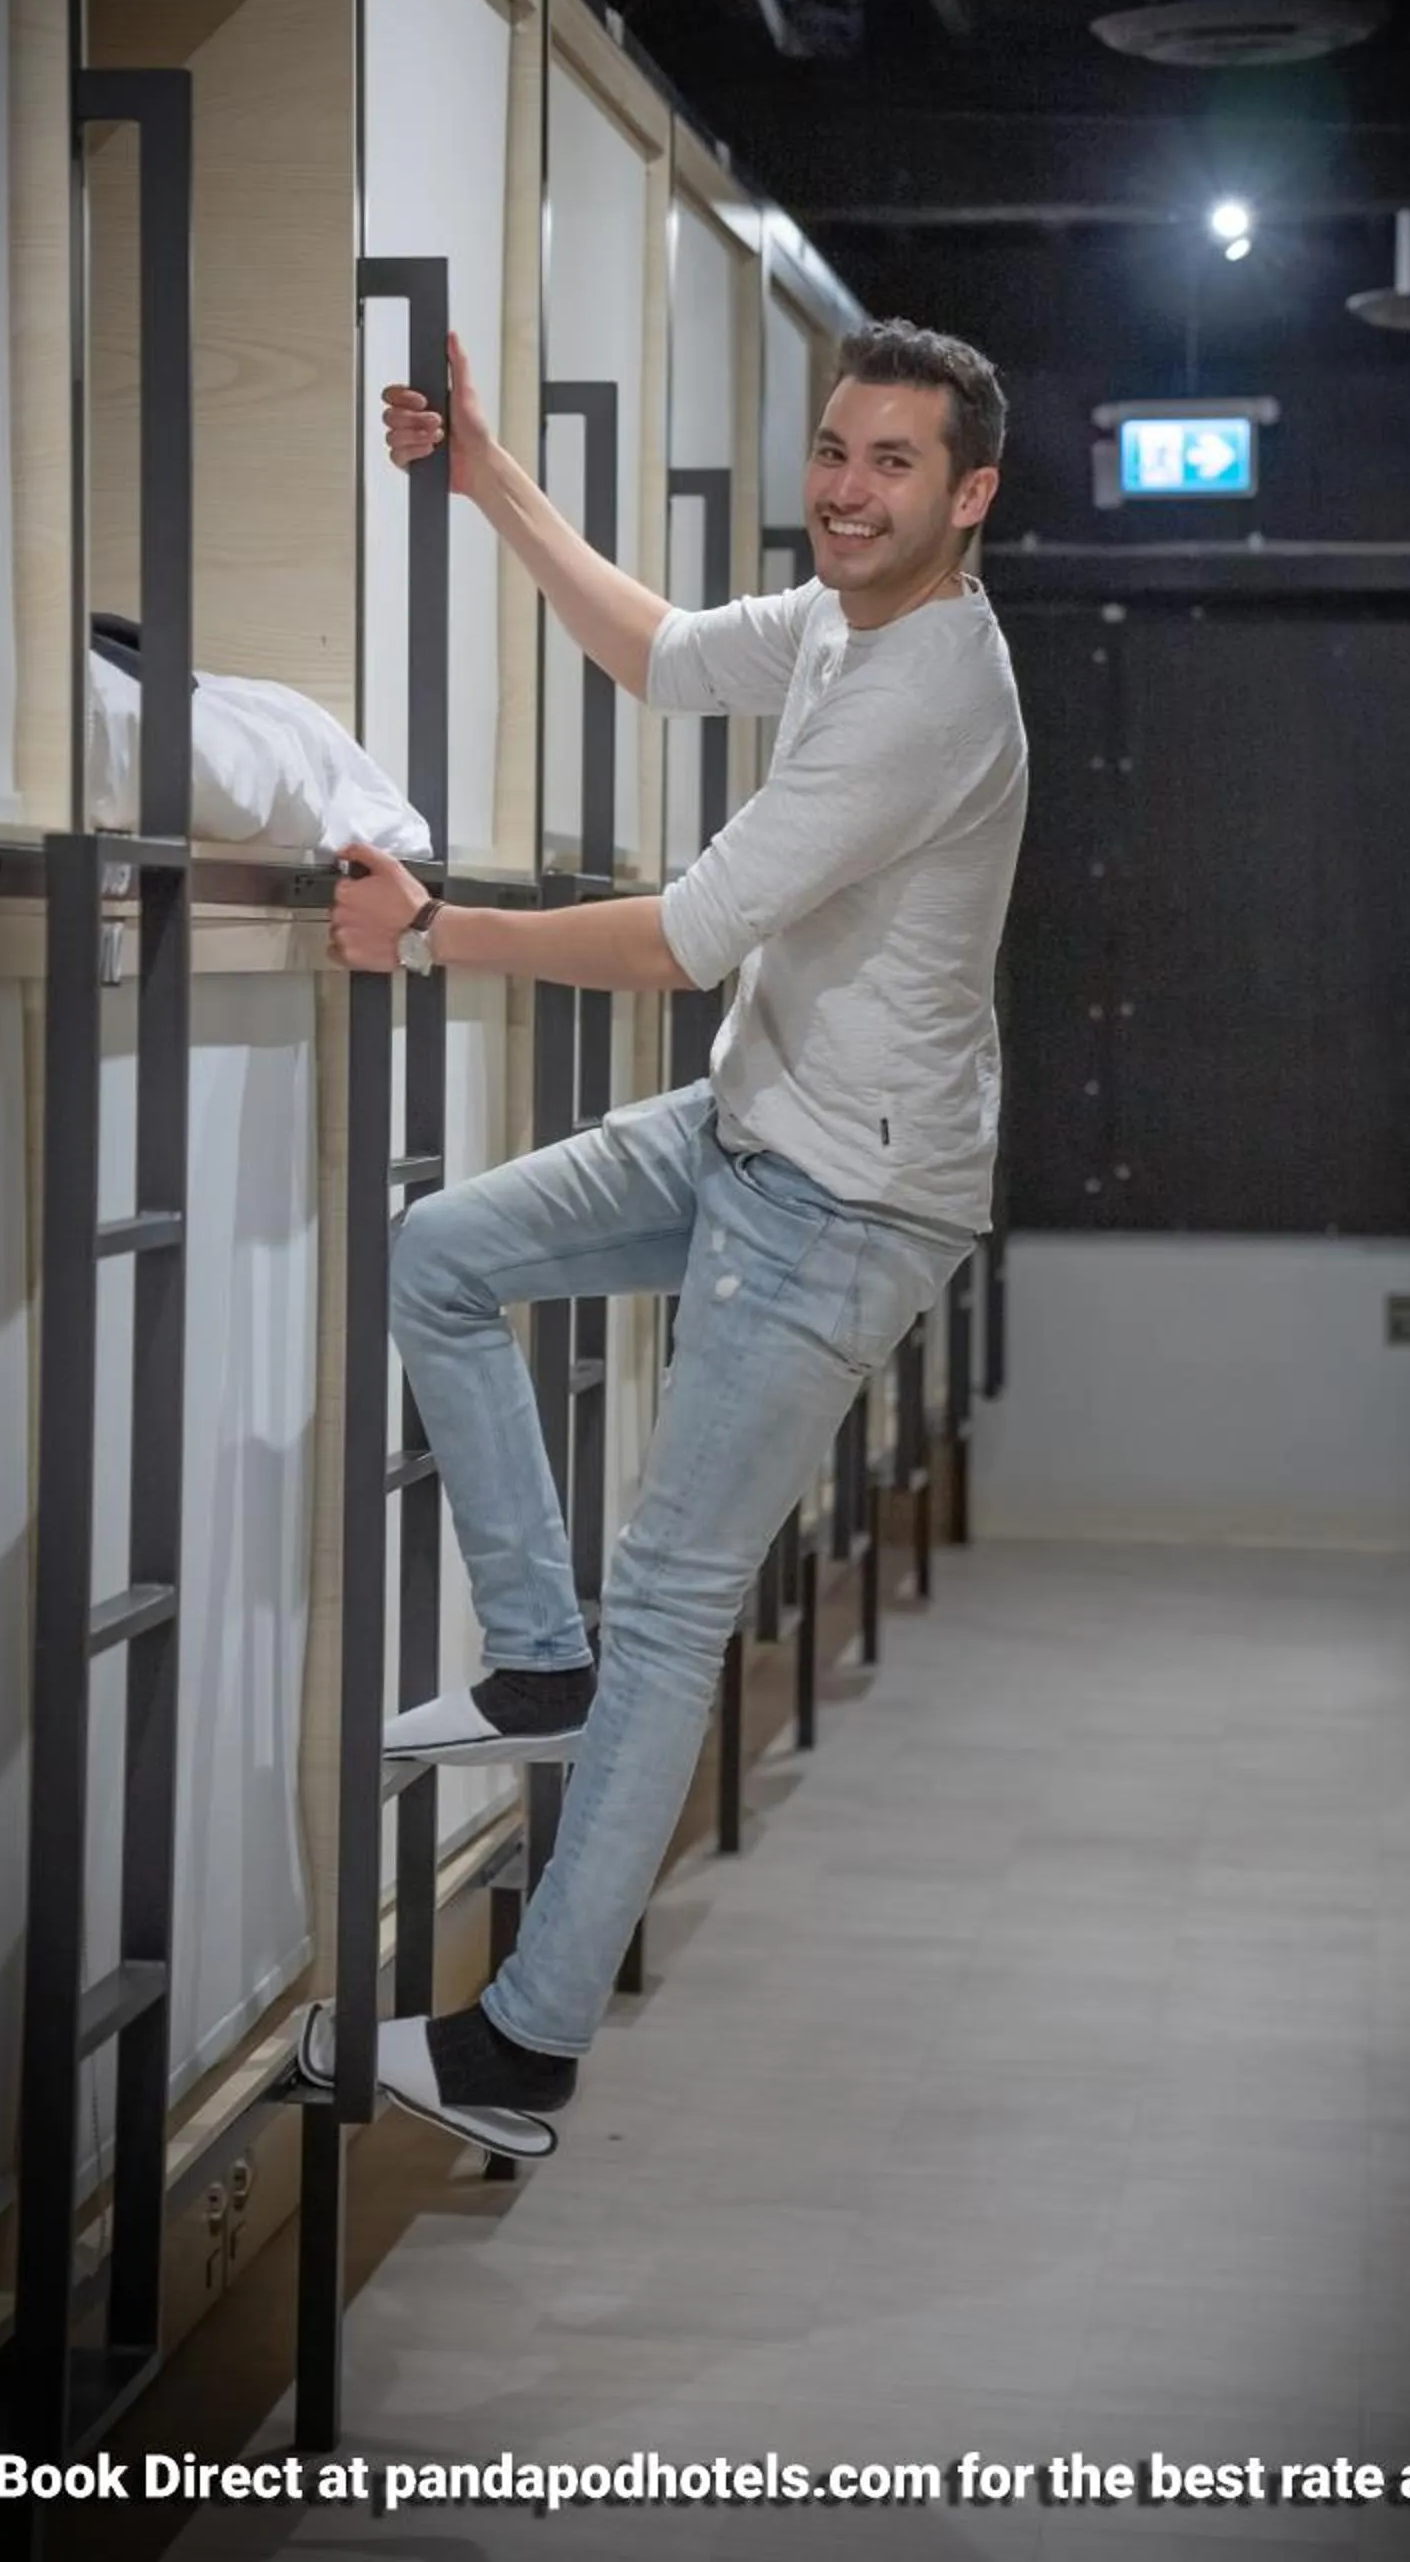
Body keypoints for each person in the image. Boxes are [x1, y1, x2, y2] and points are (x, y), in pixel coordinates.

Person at [326, 315, 1027, 2150]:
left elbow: (681, 941)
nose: (847, 490)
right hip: (749, 1127)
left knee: (670, 1609)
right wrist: (486, 475)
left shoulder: (929, 696)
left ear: (970, 496)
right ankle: (531, 1655)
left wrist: (432, 931)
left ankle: (524, 2045)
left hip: (847, 1200)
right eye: (835, 450)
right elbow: (654, 652)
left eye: (893, 464)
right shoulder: (844, 619)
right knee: (443, 1256)